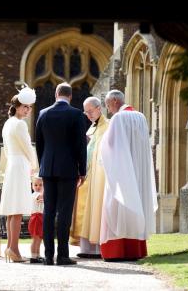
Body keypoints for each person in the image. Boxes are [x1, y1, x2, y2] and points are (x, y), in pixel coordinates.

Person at [35, 82, 87, 266]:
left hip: (48, 169)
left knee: (48, 212)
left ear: (56, 94)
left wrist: (43, 166)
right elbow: (81, 145)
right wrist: (82, 171)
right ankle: (63, 255)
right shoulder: (76, 115)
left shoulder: (43, 113)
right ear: (70, 96)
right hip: (68, 169)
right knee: (64, 212)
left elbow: (39, 144)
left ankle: (48, 256)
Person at [99, 110, 158, 261]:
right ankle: (135, 249)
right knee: (136, 201)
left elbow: (109, 143)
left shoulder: (118, 118)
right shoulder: (141, 117)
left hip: (120, 169)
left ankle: (115, 251)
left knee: (115, 205)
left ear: (113, 103)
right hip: (138, 169)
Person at [0, 86, 38, 263]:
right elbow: (28, 148)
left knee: (11, 210)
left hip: (12, 165)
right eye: (25, 107)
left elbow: (6, 151)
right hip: (20, 165)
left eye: (29, 107)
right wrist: (36, 167)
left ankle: (10, 247)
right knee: (16, 210)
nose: (27, 110)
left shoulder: (7, 123)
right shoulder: (20, 124)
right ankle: (13, 249)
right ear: (17, 106)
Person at [70, 97, 109, 259]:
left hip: (99, 176)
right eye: (85, 112)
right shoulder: (92, 127)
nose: (87, 115)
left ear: (99, 108)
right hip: (87, 175)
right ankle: (86, 247)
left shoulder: (108, 127)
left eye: (90, 111)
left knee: (96, 209)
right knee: (84, 210)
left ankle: (97, 248)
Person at [28, 174, 45, 263]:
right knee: (36, 238)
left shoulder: (40, 194)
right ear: (32, 186)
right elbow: (42, 197)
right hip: (36, 218)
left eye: (40, 185)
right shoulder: (35, 194)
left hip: (40, 217)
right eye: (35, 185)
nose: (38, 187)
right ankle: (33, 256)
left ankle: (37, 254)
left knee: (39, 238)